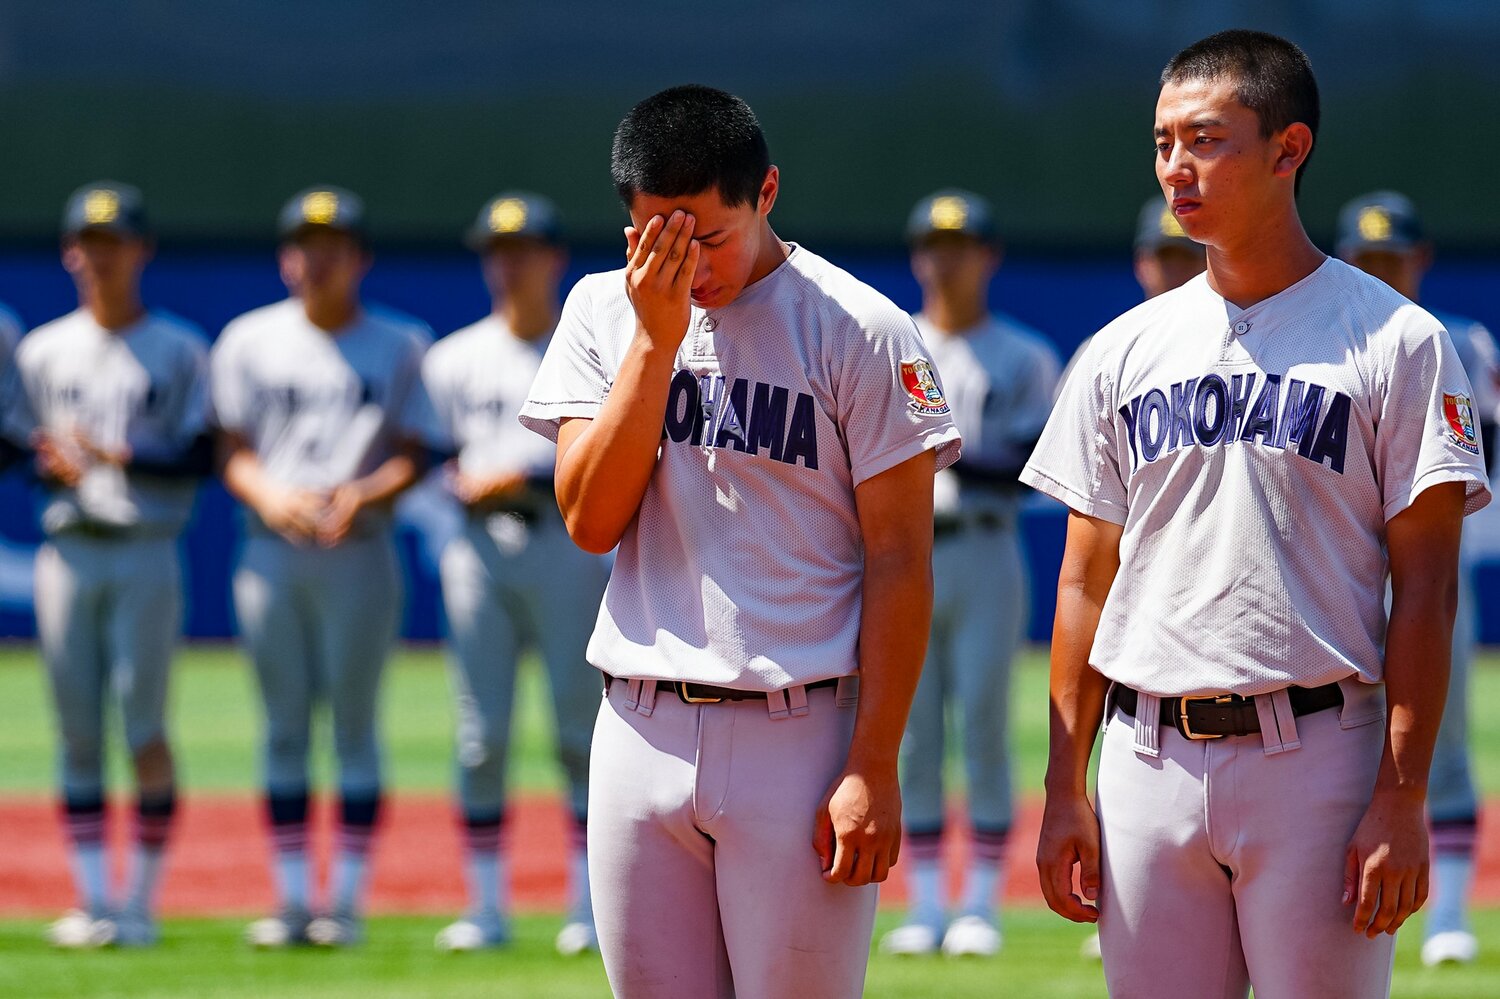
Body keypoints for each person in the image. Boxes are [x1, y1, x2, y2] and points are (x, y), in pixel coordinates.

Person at [1023, 30, 1490, 999]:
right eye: (1161, 143)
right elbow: (1082, 582)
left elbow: (1429, 587)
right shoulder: (1118, 351)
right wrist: (1065, 784)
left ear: (1290, 148)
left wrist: (1402, 796)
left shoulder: (1397, 342)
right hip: (1146, 759)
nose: (1175, 168)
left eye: (1206, 139)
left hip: (1318, 757)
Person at [518, 85, 961, 998]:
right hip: (641, 723)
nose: (684, 262)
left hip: (798, 732)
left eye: (707, 237)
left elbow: (901, 560)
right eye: (654, 237)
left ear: (765, 194)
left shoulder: (860, 327)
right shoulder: (606, 310)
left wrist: (874, 765)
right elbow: (590, 519)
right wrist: (654, 341)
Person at [211, 187, 433, 948]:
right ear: (284, 258)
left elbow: (416, 450)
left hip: (361, 546)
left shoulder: (401, 342)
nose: (319, 256)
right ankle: (293, 900)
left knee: (355, 722)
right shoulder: (247, 340)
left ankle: (348, 902)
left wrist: (363, 491)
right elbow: (230, 448)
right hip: (271, 548)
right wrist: (269, 493)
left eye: (335, 242)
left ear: (360, 258)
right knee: (281, 724)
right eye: (306, 242)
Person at [2, 182, 211, 948]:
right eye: (88, 242)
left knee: (145, 725)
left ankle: (141, 903)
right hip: (69, 547)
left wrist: (117, 455)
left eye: (114, 241)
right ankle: (93, 901)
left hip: (145, 545)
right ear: (68, 253)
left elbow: (199, 455)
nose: (99, 255)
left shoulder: (178, 346)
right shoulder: (42, 349)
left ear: (140, 250)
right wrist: (44, 460)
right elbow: (17, 444)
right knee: (77, 729)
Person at [424, 192, 609, 955]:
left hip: (568, 545)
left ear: (553, 259)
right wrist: (460, 484)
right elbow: (428, 454)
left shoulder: (590, 344)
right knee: (480, 735)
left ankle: (589, 905)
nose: (510, 264)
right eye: (498, 251)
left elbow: (608, 457)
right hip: (479, 551)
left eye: (525, 250)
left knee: (580, 730)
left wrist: (522, 479)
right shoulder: (452, 358)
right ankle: (486, 905)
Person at [879, 189, 1059, 958]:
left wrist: (933, 459)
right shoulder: (886, 343)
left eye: (962, 244)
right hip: (903, 550)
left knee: (984, 722)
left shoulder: (1021, 355)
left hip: (985, 544)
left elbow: (1033, 467)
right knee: (911, 729)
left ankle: (981, 901)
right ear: (918, 255)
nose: (946, 258)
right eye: (934, 244)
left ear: (989, 256)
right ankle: (924, 902)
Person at [1336, 190, 1498, 967]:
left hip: (1433, 569)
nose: (1382, 272)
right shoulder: (1323, 342)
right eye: (1368, 260)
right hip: (1344, 570)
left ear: (1420, 259)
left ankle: (1452, 916)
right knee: (1333, 739)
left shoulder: (1455, 340)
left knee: (1445, 737)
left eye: (1393, 258)